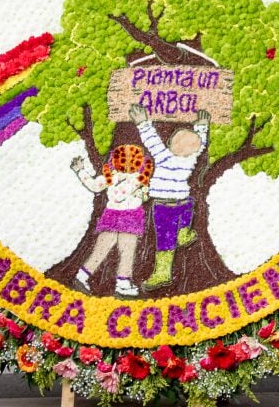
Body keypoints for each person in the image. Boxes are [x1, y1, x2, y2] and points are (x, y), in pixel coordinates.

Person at [129, 104, 209, 291]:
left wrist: (142, 122)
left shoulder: (164, 156)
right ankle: (184, 232)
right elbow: (200, 144)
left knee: (165, 241)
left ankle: (163, 272)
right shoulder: (191, 160)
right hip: (183, 203)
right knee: (188, 207)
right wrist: (202, 127)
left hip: (164, 207)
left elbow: (152, 141)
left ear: (170, 145)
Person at [70, 145, 154, 297]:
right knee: (125, 250)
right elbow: (122, 194)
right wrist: (140, 188)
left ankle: (83, 276)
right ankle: (122, 283)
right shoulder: (135, 179)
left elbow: (94, 186)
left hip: (113, 214)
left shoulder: (111, 177)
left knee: (104, 248)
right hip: (129, 216)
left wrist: (81, 171)